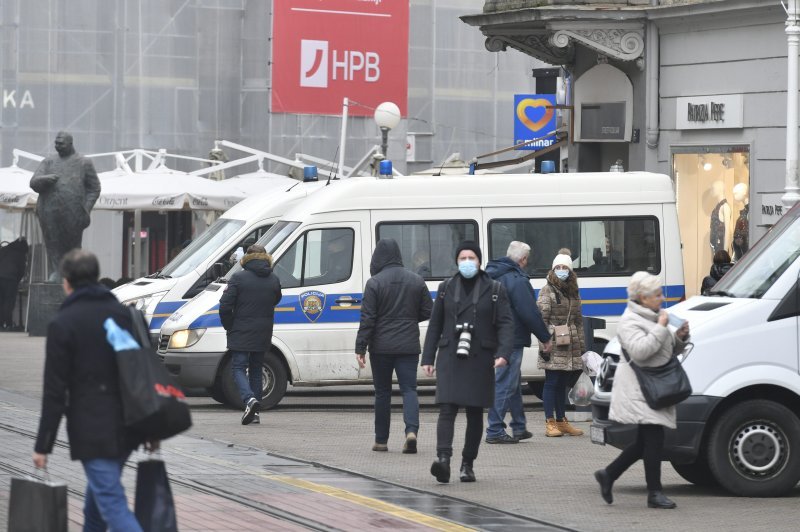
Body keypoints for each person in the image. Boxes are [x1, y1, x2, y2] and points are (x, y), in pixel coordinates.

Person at [32, 249, 153, 531]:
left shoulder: (63, 324)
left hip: (94, 428)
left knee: (111, 503)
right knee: (96, 505)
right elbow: (144, 374)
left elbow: (54, 391)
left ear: (66, 282)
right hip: (130, 426)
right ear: (97, 277)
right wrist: (151, 428)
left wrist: (43, 445)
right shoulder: (126, 315)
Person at [594, 271, 690, 509]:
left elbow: (664, 350)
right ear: (642, 298)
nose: (661, 298)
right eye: (656, 295)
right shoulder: (630, 320)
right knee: (653, 440)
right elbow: (641, 351)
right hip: (640, 388)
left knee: (644, 442)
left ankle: (609, 474)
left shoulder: (656, 315)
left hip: (652, 386)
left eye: (660, 293)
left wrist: (679, 338)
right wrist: (661, 328)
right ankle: (654, 493)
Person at [421, 241, 514, 483]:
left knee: (474, 413)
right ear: (456, 261)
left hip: (480, 357)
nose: (466, 262)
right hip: (450, 355)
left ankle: (467, 463)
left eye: (471, 257)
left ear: (479, 261)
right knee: (447, 408)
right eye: (462, 258)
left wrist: (503, 353)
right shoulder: (445, 288)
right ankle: (443, 460)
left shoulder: (495, 288)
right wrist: (428, 357)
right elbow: (435, 325)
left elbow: (505, 323)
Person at [355, 239, 432, 453]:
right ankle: (411, 432)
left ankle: (381, 440)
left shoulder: (374, 283)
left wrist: (360, 347)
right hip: (408, 345)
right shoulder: (416, 280)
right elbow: (428, 311)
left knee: (382, 393)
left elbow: (368, 319)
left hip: (380, 347)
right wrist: (407, 320)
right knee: (409, 390)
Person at [484, 241, 552, 444]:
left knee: (512, 383)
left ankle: (519, 426)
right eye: (527, 259)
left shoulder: (491, 275)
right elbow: (529, 312)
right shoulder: (517, 280)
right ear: (522, 260)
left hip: (496, 336)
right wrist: (545, 337)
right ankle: (495, 429)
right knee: (505, 383)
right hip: (511, 339)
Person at [219, 244, 282, 425]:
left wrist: (229, 326)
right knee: (256, 369)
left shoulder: (238, 278)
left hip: (240, 329)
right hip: (263, 331)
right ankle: (255, 414)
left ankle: (249, 399)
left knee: (238, 368)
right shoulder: (273, 279)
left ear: (246, 257)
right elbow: (276, 299)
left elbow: (225, 306)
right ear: (265, 257)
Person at [29, 132, 101, 280]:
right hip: (48, 211)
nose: (57, 146)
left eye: (61, 143)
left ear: (70, 143)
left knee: (72, 245)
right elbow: (34, 182)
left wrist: (86, 209)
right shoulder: (48, 162)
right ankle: (56, 271)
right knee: (52, 244)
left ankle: (74, 273)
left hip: (73, 212)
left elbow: (94, 188)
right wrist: (44, 179)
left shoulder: (84, 162)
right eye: (56, 143)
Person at [537, 253, 586, 437]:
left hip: (570, 344)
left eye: (565, 268)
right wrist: (546, 342)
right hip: (554, 343)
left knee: (563, 383)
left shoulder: (573, 291)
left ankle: (561, 421)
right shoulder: (546, 291)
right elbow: (541, 319)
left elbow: (579, 321)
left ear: (570, 270)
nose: (561, 271)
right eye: (558, 267)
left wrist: (581, 346)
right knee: (551, 382)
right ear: (553, 269)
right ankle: (549, 422)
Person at [0, 237, 28, 330]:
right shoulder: (20, 254)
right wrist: (17, 280)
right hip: (11, 280)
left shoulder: (4, 249)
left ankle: (1, 324)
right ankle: (8, 324)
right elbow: (21, 271)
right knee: (9, 302)